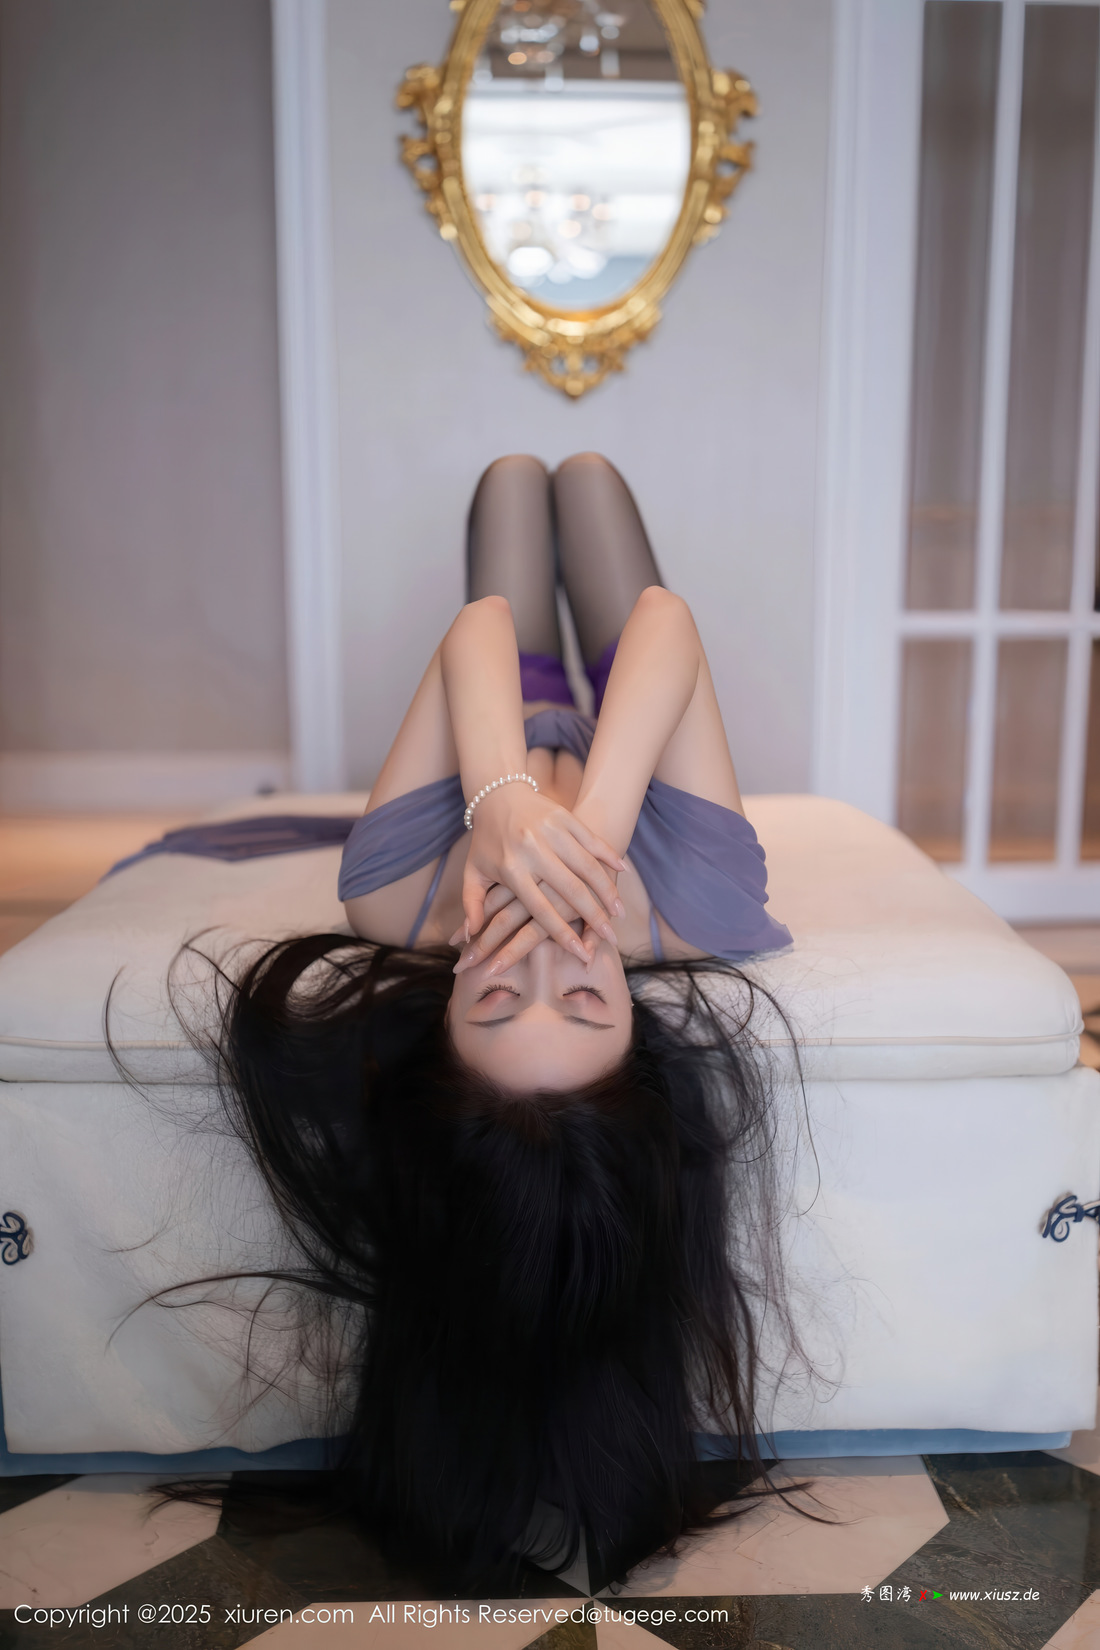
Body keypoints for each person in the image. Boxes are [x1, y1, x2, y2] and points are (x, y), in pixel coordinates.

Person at [198, 454, 797, 1592]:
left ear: (438, 1016)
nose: (543, 953)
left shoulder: (392, 901)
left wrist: (504, 803)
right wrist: (598, 834)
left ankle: (530, 518)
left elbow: (476, 625)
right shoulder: (700, 907)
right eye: (584, 996)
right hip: (629, 707)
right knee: (591, 479)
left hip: (506, 697)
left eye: (493, 993)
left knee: (517, 475)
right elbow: (667, 624)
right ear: (638, 1038)